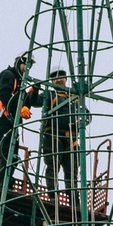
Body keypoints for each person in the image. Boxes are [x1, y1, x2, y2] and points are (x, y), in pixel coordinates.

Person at [40, 67, 88, 213]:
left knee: (72, 171)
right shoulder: (49, 94)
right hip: (53, 136)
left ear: (66, 79)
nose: (59, 79)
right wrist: (33, 91)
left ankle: (74, 201)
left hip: (71, 139)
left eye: (62, 76)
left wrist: (83, 121)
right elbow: (34, 100)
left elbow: (86, 114)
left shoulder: (74, 97)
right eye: (55, 77)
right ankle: (53, 196)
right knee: (53, 166)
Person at [0, 51, 43, 179]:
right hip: (3, 118)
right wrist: (19, 108)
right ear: (20, 62)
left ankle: (8, 179)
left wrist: (32, 93)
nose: (28, 68)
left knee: (13, 153)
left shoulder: (20, 82)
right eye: (26, 64)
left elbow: (23, 102)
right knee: (6, 151)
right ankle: (5, 181)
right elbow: (4, 95)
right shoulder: (8, 75)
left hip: (11, 121)